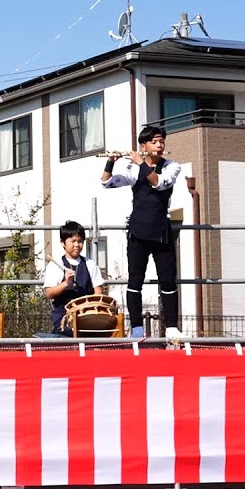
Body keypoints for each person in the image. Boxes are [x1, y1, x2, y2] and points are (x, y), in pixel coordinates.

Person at [101, 126, 185, 339]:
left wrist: (141, 164)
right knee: (135, 280)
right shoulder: (133, 168)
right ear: (143, 146)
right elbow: (106, 183)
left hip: (160, 229)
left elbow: (160, 183)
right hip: (138, 230)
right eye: (155, 142)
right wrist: (111, 161)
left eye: (162, 141)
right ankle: (137, 327)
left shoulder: (171, 166)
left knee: (167, 279)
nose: (160, 145)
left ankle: (172, 327)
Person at [42, 220, 105, 336]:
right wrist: (66, 283)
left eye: (80, 241)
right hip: (63, 315)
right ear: (63, 243)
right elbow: (49, 293)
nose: (77, 245)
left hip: (87, 313)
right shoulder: (55, 265)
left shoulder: (90, 264)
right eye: (73, 241)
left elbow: (98, 293)